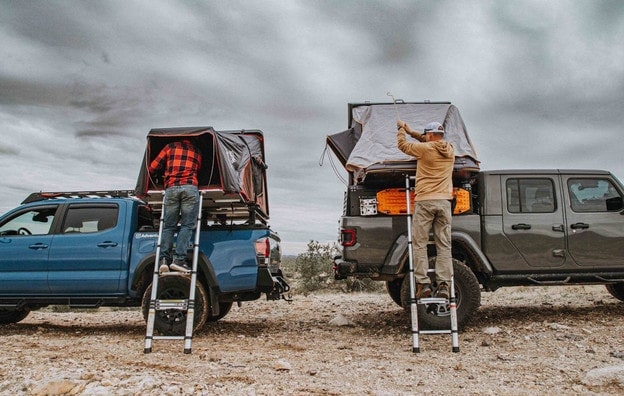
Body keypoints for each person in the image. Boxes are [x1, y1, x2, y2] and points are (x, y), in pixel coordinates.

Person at [397, 120, 455, 299]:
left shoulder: (425, 150)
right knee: (444, 245)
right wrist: (411, 131)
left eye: (426, 135)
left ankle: (423, 284)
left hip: (425, 202)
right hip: (444, 202)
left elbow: (402, 146)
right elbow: (426, 141)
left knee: (420, 243)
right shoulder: (450, 150)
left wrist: (401, 130)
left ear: (430, 135)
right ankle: (444, 284)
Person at [148, 138, 202, 274]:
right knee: (187, 225)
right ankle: (178, 260)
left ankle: (164, 260)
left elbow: (152, 167)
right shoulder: (197, 152)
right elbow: (198, 169)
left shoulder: (169, 147)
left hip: (171, 188)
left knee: (169, 226)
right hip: (190, 188)